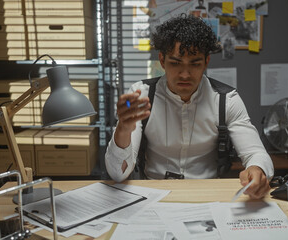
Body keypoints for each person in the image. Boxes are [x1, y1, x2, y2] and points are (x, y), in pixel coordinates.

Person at [105, 14, 273, 199]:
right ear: (162, 60)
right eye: (176, 63)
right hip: (153, 195)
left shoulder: (227, 100)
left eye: (194, 64)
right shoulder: (140, 95)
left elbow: (256, 153)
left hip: (208, 195)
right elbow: (117, 173)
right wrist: (123, 128)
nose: (185, 74)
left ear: (206, 62)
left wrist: (257, 169)